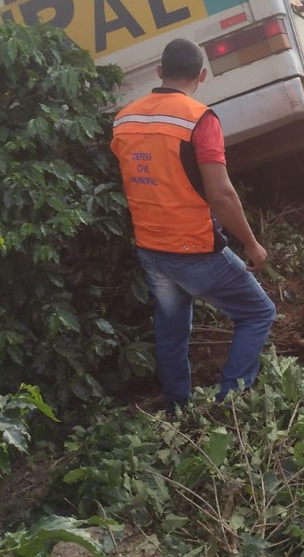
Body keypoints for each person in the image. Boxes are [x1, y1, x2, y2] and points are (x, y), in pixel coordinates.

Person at [110, 38, 276, 412]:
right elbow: (222, 194)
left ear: (159, 72)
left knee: (171, 331)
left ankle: (177, 408)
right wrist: (251, 243)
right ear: (202, 75)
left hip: (151, 249)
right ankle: (229, 403)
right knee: (258, 312)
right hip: (194, 249)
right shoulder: (199, 119)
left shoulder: (124, 119)